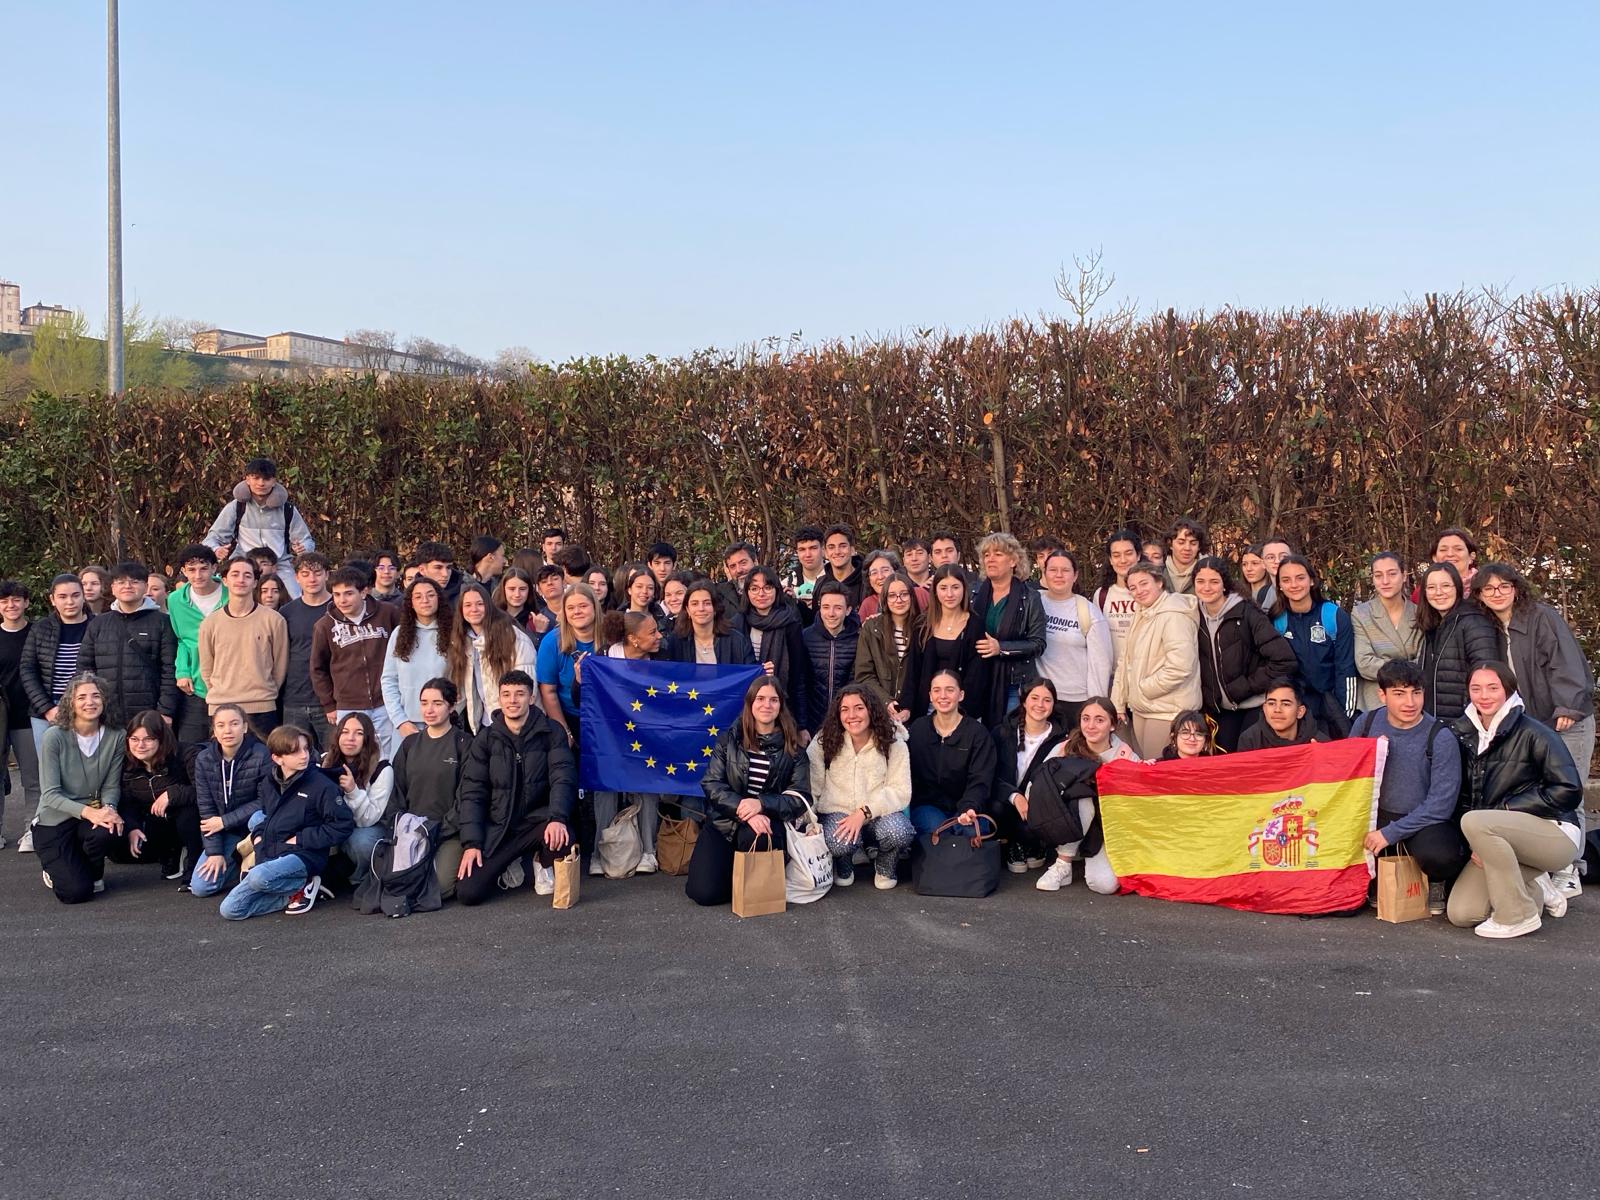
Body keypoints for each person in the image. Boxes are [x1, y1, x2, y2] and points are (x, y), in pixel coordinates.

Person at [1448, 663, 1583, 939]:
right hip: (1494, 837)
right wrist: (1480, 842)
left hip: (1553, 834)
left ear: (1508, 690)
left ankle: (1515, 916)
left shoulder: (1535, 732)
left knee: (1475, 821)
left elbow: (1569, 789)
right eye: (1476, 688)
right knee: (1462, 913)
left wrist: (1507, 810)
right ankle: (1537, 890)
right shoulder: (1461, 733)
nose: (1484, 696)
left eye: (1493, 688)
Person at [1351, 660, 1466, 914]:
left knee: (1441, 855)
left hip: (1423, 820)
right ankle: (1375, 878)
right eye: (1399, 694)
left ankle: (1436, 881)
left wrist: (1389, 834)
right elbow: (1348, 775)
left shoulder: (1440, 736)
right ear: (1382, 695)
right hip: (1376, 815)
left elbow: (1440, 806)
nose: (1410, 703)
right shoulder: (1366, 724)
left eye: (1416, 693)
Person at [456, 671, 576, 904]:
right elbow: (472, 793)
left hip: (537, 823)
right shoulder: (486, 739)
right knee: (468, 893)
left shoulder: (551, 732)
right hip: (499, 830)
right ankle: (512, 864)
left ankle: (542, 862)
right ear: (499, 699)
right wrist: (472, 843)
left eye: (520, 694)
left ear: (531, 698)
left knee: (563, 837)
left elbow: (563, 778)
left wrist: (557, 818)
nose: (512, 700)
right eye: (506, 694)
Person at [1472, 562, 1595, 782]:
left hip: (1565, 722)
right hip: (1532, 726)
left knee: (1567, 792)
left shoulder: (1541, 617)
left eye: (1504, 586)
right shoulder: (1491, 629)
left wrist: (1567, 707)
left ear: (1515, 589)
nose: (1497, 593)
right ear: (1480, 595)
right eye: (1489, 588)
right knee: (1538, 792)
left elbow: (1566, 661)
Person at [219, 724, 354, 919]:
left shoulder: (322, 786)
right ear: (277, 758)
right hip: (273, 850)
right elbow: (268, 817)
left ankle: (303, 881)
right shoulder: (269, 782)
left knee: (258, 877)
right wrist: (258, 837)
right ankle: (294, 892)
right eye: (295, 751)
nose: (304, 755)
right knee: (230, 909)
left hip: (305, 854)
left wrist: (301, 839)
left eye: (306, 749)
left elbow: (343, 825)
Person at [698, 676, 812, 900]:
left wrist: (761, 804)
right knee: (704, 893)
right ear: (750, 703)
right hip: (725, 821)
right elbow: (711, 783)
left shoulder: (794, 750)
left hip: (767, 823)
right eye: (760, 698)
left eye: (773, 700)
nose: (766, 705)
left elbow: (800, 798)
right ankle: (733, 873)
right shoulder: (728, 741)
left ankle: (755, 882)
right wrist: (745, 809)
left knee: (757, 841)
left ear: (781, 705)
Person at [807, 684, 915, 890]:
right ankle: (844, 865)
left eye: (859, 708)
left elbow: (900, 790)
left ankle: (885, 866)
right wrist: (810, 821)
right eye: (844, 709)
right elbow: (813, 786)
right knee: (838, 842)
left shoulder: (893, 742)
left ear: (871, 710)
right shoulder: (824, 740)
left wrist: (864, 812)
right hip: (838, 813)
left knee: (899, 832)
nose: (852, 715)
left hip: (878, 813)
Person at [1026, 697, 1137, 894]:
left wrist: (1149, 770)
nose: (1091, 726)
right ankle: (1063, 863)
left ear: (1113, 725)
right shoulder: (1064, 749)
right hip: (1065, 823)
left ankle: (1084, 856)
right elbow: (1035, 786)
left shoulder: (1125, 755)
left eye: (1099, 720)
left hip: (1104, 829)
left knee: (1105, 885)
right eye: (1086, 719)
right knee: (1083, 796)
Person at [32, 672, 125, 903]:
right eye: (81, 697)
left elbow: (111, 785)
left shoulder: (117, 736)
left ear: (104, 700)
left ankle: (92, 871)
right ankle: (55, 868)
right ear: (70, 703)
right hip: (54, 820)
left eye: (96, 696)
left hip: (90, 817)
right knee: (75, 893)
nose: (89, 702)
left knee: (108, 829)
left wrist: (110, 809)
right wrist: (92, 813)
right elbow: (50, 794)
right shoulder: (54, 737)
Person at [1193, 556, 1297, 751]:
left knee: (1251, 762)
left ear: (1225, 584)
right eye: (1200, 581)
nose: (1206, 587)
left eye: (1214, 581)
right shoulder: (1192, 615)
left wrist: (1246, 686)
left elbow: (1284, 660)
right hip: (1218, 711)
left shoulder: (1247, 613)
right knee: (1226, 765)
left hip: (1252, 707)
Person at [385, 677, 473, 900]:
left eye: (437, 703)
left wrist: (439, 829)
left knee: (441, 887)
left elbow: (467, 797)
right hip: (411, 830)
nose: (429, 710)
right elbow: (396, 792)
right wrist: (403, 827)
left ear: (451, 706)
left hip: (448, 832)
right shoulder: (410, 744)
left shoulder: (464, 744)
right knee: (399, 884)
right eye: (424, 703)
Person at [1111, 563, 1202, 759]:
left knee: (1159, 768)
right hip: (1143, 708)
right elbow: (1125, 661)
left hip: (1167, 711)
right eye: (1133, 587)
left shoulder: (1174, 615)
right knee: (1146, 766)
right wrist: (1118, 702)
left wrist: (1144, 688)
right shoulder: (1142, 614)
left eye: (1144, 583)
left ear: (1159, 582)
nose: (1139, 591)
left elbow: (1180, 666)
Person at [309, 566, 400, 758]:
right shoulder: (324, 625)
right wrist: (329, 704)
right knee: (354, 757)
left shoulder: (388, 613)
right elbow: (318, 668)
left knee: (387, 756)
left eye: (349, 593)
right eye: (337, 594)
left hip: (386, 702)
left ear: (364, 592)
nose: (342, 600)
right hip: (348, 705)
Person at [187, 704, 275, 898]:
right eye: (221, 725)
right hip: (228, 833)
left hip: (255, 828)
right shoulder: (203, 759)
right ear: (214, 730)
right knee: (202, 887)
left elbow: (264, 801)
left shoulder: (261, 754)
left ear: (244, 727)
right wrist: (214, 852)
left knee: (259, 818)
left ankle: (256, 862)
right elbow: (207, 810)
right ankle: (238, 861)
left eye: (234, 724)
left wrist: (224, 821)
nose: (228, 730)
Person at [197, 557, 288, 740]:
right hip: (221, 707)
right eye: (235, 574)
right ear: (224, 580)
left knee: (263, 757)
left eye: (247, 575)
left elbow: (280, 665)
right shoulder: (210, 623)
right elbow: (206, 668)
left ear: (255, 583)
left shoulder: (273, 620)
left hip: (262, 708)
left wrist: (264, 692)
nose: (241, 580)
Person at [80, 560, 179, 725]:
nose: (127, 586)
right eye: (121, 582)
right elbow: (84, 668)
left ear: (145, 587)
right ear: (112, 588)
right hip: (107, 712)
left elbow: (170, 670)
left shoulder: (162, 623)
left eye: (134, 581)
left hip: (149, 713)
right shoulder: (98, 624)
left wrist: (165, 711)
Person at [20, 577, 92, 800]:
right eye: (62, 596)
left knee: (87, 771)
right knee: (51, 773)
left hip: (88, 709)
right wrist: (47, 708)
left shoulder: (98, 625)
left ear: (83, 596)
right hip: (47, 712)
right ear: (52, 599)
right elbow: (27, 669)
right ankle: (53, 817)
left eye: (75, 595)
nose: (70, 602)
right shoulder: (41, 628)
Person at [964, 533, 1046, 729]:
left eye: (998, 554)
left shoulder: (1030, 598)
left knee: (1008, 736)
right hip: (976, 680)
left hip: (1012, 685)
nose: (990, 559)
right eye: (986, 555)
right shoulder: (973, 593)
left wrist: (1000, 648)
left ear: (1013, 561)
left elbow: (1038, 643)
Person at [992, 676, 1073, 874]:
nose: (1040, 705)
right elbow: (989, 775)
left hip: (1039, 805)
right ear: (1024, 701)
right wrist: (1015, 796)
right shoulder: (1002, 732)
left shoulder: (1062, 740)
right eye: (1034, 698)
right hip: (1006, 802)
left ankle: (1031, 842)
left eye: (1047, 700)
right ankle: (1012, 843)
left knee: (1029, 826)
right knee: (996, 808)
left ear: (1053, 705)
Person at [1269, 555, 1356, 737]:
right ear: (1279, 585)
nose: (1294, 585)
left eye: (1300, 578)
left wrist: (1345, 712)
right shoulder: (1276, 620)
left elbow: (1345, 668)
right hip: (1295, 707)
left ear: (1311, 581)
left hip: (1330, 703)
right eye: (1286, 580)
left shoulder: (1333, 615)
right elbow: (1275, 670)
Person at [202, 457, 314, 597]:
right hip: (243, 562)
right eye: (256, 478)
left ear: (274, 481)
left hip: (279, 564)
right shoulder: (236, 507)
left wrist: (303, 548)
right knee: (225, 597)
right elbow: (212, 539)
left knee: (294, 597)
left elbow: (306, 540)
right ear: (247, 479)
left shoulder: (287, 509)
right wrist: (216, 549)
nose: (261, 483)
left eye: (266, 479)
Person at [905, 669, 998, 838]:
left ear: (961, 695)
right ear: (930, 696)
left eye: (950, 690)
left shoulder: (978, 734)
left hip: (967, 805)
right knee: (940, 831)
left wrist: (969, 807)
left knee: (969, 832)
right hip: (927, 805)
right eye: (937, 690)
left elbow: (980, 780)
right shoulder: (918, 729)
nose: (943, 696)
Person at [118, 709, 201, 881]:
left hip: (190, 818)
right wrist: (133, 827)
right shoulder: (127, 764)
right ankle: (172, 853)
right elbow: (127, 803)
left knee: (187, 814)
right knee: (122, 852)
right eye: (134, 739)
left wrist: (172, 794)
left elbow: (203, 790)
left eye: (148, 739)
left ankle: (194, 864)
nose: (140, 745)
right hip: (156, 819)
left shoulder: (186, 754)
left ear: (161, 739)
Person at [1034, 551, 1113, 730]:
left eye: (1065, 570)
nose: (1059, 575)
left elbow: (1101, 663)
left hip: (1076, 700)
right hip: (1040, 698)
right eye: (1053, 570)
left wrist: (1095, 705)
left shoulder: (1088, 612)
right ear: (1044, 573)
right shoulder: (1034, 602)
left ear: (1075, 575)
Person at [1415, 562, 1501, 722]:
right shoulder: (1434, 627)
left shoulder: (1473, 622)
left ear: (1457, 588)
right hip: (1438, 723)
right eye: (1431, 587)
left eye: (1446, 586)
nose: (1439, 592)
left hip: (1465, 723)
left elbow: (1487, 676)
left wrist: (1470, 722)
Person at [453, 582, 540, 734]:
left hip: (514, 722)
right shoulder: (462, 641)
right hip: (484, 722)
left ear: (489, 606)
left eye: (480, 604)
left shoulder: (512, 637)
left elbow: (526, 684)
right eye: (467, 605)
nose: (474, 609)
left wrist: (514, 721)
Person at [322, 711, 393, 888]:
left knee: (361, 842)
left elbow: (368, 819)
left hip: (367, 827)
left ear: (367, 739)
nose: (350, 738)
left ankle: (360, 878)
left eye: (359, 733)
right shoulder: (326, 761)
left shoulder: (382, 768)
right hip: (335, 825)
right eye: (345, 732)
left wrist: (353, 790)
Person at [898, 565, 979, 720]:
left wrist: (960, 714)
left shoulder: (975, 626)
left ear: (964, 589)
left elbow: (976, 677)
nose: (949, 594)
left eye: (955, 587)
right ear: (935, 591)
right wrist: (906, 707)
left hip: (961, 711)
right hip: (926, 707)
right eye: (943, 588)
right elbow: (913, 670)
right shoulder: (923, 625)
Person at [167, 545, 228, 746]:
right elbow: (181, 639)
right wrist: (182, 671)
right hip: (195, 685)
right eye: (191, 570)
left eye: (203, 568)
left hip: (230, 683)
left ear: (214, 568)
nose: (198, 575)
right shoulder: (175, 600)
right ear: (183, 571)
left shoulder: (231, 594)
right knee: (189, 746)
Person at [382, 577, 453, 740]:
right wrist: (400, 721)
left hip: (445, 724)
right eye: (418, 597)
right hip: (407, 726)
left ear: (439, 599)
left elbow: (462, 681)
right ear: (411, 603)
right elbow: (389, 681)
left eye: (430, 595)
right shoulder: (399, 634)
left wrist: (449, 715)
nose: (425, 601)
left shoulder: (453, 634)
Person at [741, 565, 812, 729]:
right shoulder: (739, 623)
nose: (761, 594)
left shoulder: (790, 623)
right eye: (754, 588)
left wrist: (801, 726)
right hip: (744, 711)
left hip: (782, 710)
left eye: (767, 587)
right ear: (747, 592)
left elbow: (798, 677)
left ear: (777, 590)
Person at [534, 582, 604, 743]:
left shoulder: (611, 637)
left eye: (583, 606)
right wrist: (564, 731)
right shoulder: (551, 642)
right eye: (571, 608)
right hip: (569, 716)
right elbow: (548, 692)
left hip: (607, 716)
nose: (577, 612)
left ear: (595, 607)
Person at [278, 552, 334, 751]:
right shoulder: (286, 612)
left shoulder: (338, 609)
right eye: (305, 573)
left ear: (327, 575)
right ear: (296, 577)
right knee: (293, 755)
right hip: (294, 699)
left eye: (317, 573)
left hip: (330, 701)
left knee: (332, 757)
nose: (312, 579)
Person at [1352, 551, 1421, 713]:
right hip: (1375, 699)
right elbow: (1364, 663)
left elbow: (1423, 661)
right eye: (1378, 575)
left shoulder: (1419, 613)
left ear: (1403, 575)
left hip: (1412, 698)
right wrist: (1406, 668)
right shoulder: (1361, 614)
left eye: (1392, 574)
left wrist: (1387, 666)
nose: (1385, 581)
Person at [0, 580, 40, 849]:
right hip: (1, 717)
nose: (10, 605)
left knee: (33, 777)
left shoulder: (38, 633)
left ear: (26, 602)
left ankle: (32, 829)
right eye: (4, 601)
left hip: (29, 714)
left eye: (16, 599)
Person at [854, 571, 918, 722]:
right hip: (880, 712)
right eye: (892, 595)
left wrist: (908, 706)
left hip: (915, 712)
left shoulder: (923, 627)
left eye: (904, 594)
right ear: (885, 599)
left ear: (911, 596)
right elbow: (864, 675)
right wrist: (886, 702)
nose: (899, 600)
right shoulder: (871, 628)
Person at [801, 581, 861, 730]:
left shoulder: (859, 639)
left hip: (846, 723)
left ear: (848, 610)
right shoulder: (805, 637)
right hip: (811, 724)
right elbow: (800, 685)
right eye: (826, 607)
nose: (831, 613)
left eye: (838, 608)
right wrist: (801, 726)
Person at [662, 579, 754, 668]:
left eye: (707, 603)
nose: (701, 608)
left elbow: (750, 671)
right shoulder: (676, 642)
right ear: (687, 610)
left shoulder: (737, 641)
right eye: (694, 604)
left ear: (715, 608)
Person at [1092, 529, 1142, 666]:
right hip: (1113, 673)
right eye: (1116, 555)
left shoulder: (1150, 593)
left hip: (1145, 673)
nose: (1123, 560)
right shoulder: (1101, 595)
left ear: (1138, 555)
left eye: (1129, 553)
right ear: (1110, 560)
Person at [1236, 680, 1330, 751]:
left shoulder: (1319, 742)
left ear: (1300, 712)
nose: (1277, 710)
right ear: (1264, 708)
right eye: (1271, 703)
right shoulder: (1250, 740)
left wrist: (1319, 759)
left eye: (1285, 704)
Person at [821, 525, 865, 609]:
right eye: (831, 547)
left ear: (852, 550)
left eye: (843, 546)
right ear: (826, 553)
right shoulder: (821, 583)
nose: (837, 552)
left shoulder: (866, 582)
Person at [1163, 518, 1209, 595]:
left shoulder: (1209, 573)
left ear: (1199, 546)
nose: (1187, 548)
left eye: (1193, 543)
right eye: (1181, 542)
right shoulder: (1158, 573)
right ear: (1170, 544)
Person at [854, 550, 905, 620]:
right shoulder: (868, 604)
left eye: (885, 570)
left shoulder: (914, 594)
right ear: (869, 579)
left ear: (896, 572)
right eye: (874, 573)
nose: (880, 577)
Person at [416, 541, 466, 606]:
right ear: (422, 570)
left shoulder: (466, 596)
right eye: (438, 567)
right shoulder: (408, 599)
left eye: (449, 567)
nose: (445, 574)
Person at [1257, 537, 1295, 611]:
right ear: (1263, 563)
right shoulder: (1263, 593)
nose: (1277, 561)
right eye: (1271, 557)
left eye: (1284, 556)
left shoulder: (1300, 590)